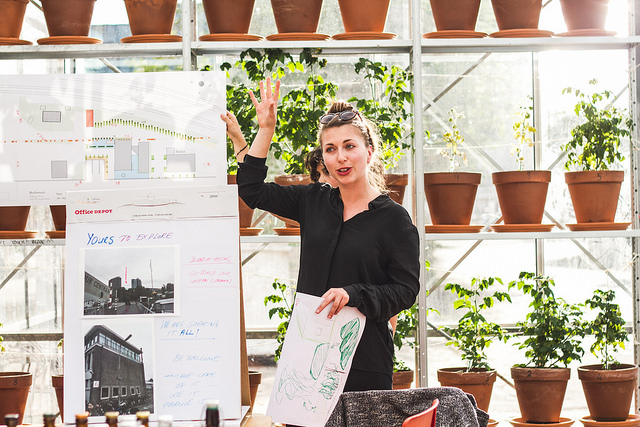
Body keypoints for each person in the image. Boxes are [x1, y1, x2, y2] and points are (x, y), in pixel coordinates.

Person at [231, 77, 420, 391]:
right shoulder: (313, 201)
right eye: (330, 149)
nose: (340, 157)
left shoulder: (395, 219)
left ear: (369, 153)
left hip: (363, 362)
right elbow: (252, 190)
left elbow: (405, 290)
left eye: (349, 147)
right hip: (306, 355)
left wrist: (353, 294)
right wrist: (265, 130)